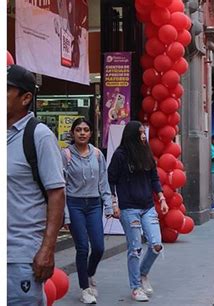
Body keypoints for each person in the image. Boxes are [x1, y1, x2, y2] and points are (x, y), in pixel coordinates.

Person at [7, 64, 66, 305]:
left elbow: (57, 193)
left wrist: (47, 249)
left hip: (20, 257)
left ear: (26, 98)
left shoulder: (38, 135)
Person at [107, 121, 169, 302]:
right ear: (132, 134)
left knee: (156, 244)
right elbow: (110, 179)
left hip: (148, 206)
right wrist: (114, 203)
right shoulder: (120, 155)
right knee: (134, 249)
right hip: (128, 208)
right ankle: (135, 287)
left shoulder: (146, 152)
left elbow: (154, 177)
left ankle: (143, 273)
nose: (143, 136)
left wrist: (162, 199)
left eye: (144, 133)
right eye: (140, 133)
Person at [62, 118, 113, 303]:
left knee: (99, 247)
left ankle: (89, 274)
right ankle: (84, 289)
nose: (82, 133)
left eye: (85, 130)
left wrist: (108, 204)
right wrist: (65, 215)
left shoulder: (98, 154)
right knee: (82, 247)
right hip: (74, 204)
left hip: (94, 204)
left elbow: (103, 181)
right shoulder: (66, 154)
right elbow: (62, 187)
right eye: (78, 130)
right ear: (73, 133)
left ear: (91, 133)